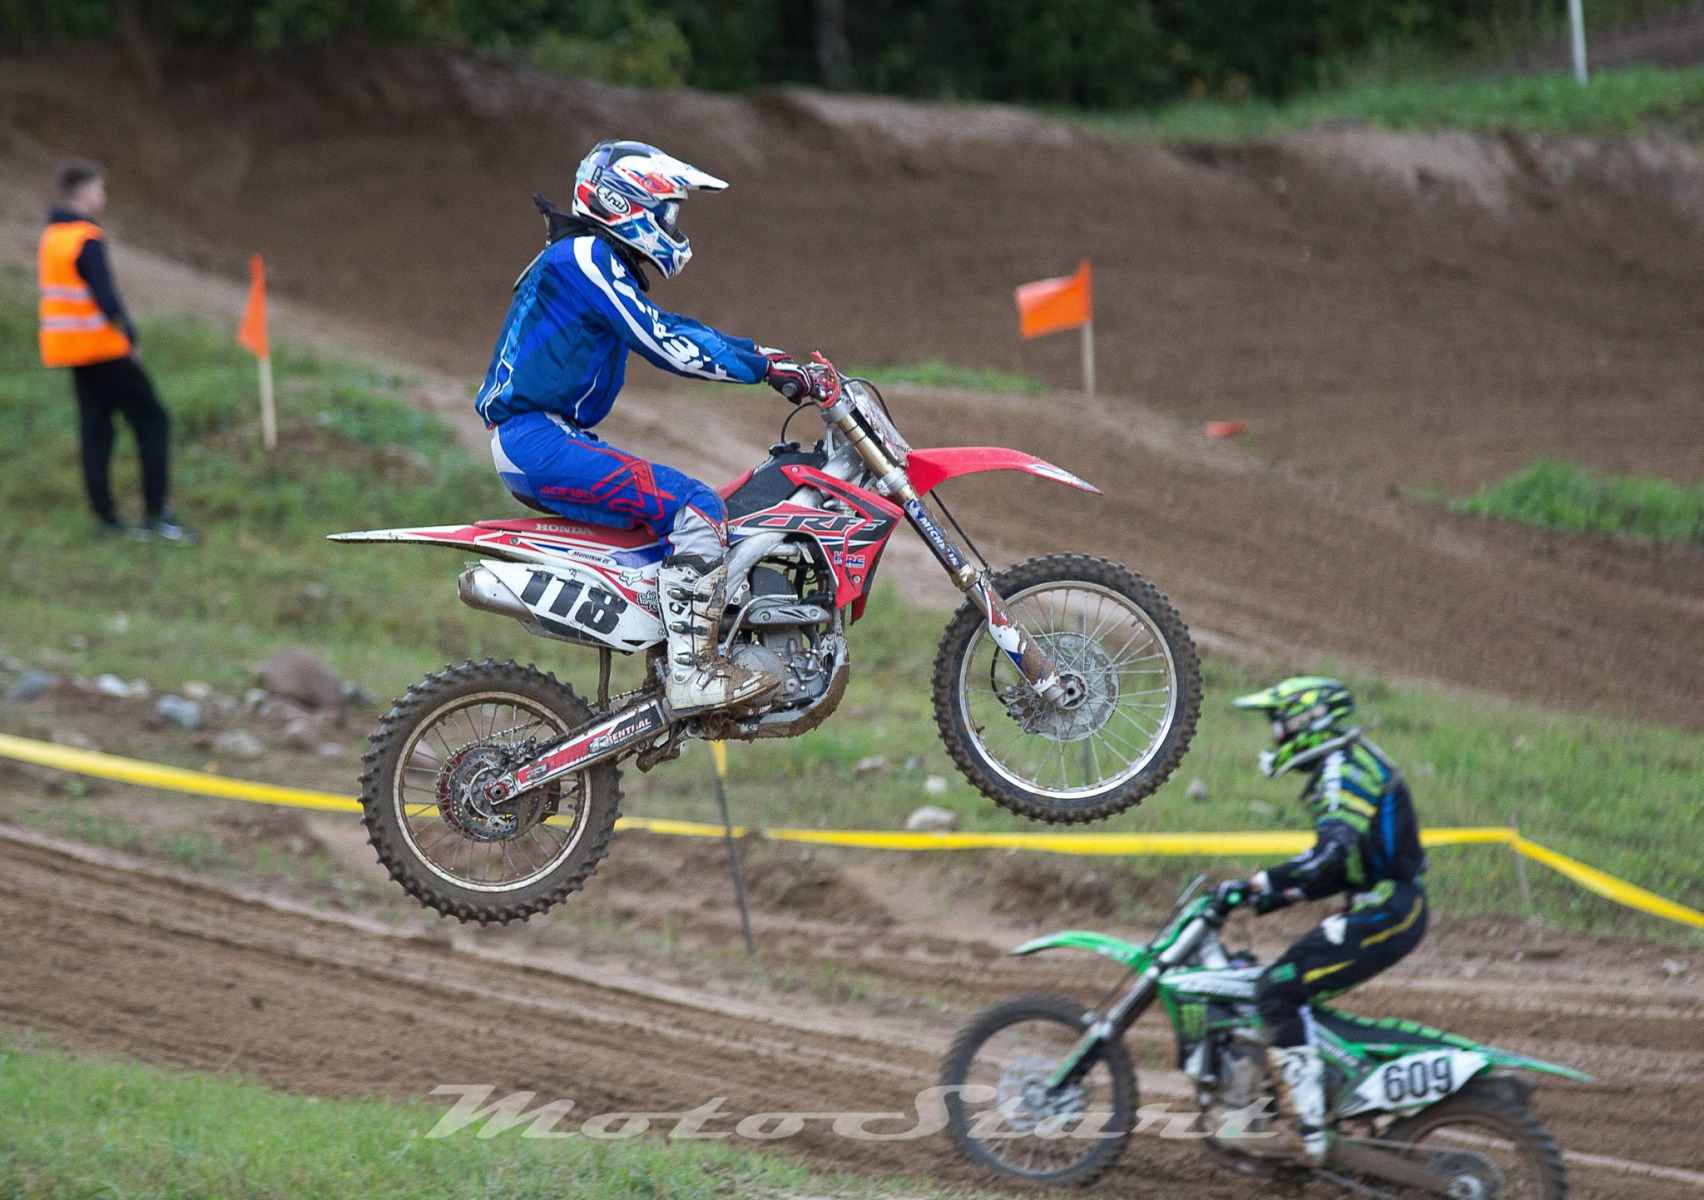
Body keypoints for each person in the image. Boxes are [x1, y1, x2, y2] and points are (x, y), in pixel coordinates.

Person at [476, 140, 811, 715]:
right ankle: (693, 673)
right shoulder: (583, 256)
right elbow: (662, 341)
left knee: (672, 529)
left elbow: (667, 323)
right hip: (537, 439)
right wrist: (763, 370)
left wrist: (764, 356)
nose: (672, 226)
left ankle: (672, 658)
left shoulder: (589, 261)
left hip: (549, 439)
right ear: (624, 203)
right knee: (697, 508)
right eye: (667, 212)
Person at [1219, 677, 1427, 1162]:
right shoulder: (1346, 762)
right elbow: (1335, 871)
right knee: (1290, 991)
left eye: (1279, 725)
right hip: (1383, 906)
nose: (1276, 737)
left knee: (1278, 989)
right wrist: (1261, 898)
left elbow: (1329, 856)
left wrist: (1260, 883)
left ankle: (1305, 1130)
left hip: (1387, 910)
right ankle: (1314, 1096)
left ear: (1306, 722)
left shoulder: (1343, 769)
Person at [37, 159, 195, 543]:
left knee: (96, 430)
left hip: (71, 349)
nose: (103, 197)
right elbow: (105, 295)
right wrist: (130, 336)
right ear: (82, 192)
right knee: (153, 420)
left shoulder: (51, 237)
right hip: (101, 346)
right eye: (99, 189)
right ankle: (157, 514)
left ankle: (106, 518)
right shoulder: (85, 237)